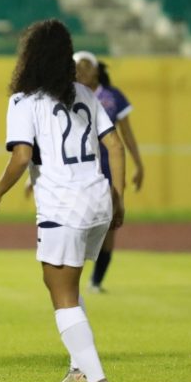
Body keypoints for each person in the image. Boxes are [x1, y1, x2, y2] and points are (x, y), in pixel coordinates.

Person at [0, 19, 125, 382]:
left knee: (62, 296)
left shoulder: (24, 100)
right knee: (64, 287)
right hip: (98, 201)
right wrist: (119, 198)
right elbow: (116, 146)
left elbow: (21, 156)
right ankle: (79, 369)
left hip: (63, 205)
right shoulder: (85, 92)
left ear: (29, 57)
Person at [73, 55, 143, 293]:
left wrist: (138, 164)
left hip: (109, 168)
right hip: (78, 170)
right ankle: (70, 276)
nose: (81, 70)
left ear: (96, 69)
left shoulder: (112, 97)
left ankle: (96, 280)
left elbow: (127, 135)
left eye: (86, 65)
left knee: (110, 227)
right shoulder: (67, 95)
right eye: (76, 66)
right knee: (77, 222)